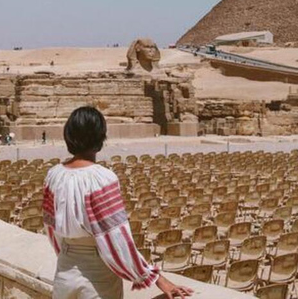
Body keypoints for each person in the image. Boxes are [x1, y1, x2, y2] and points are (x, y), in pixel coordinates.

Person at [43, 107, 192, 298]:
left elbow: (50, 228)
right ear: (100, 138)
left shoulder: (54, 175)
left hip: (64, 270)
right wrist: (157, 279)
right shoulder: (102, 179)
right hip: (98, 276)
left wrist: (67, 254)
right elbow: (116, 239)